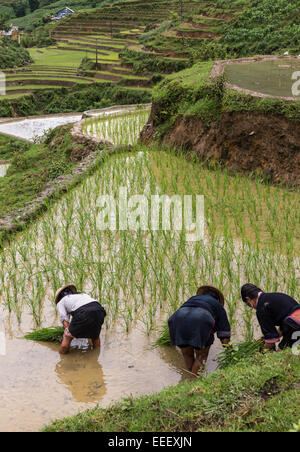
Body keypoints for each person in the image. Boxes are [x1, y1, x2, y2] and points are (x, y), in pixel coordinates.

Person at [168, 286, 231, 375]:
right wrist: (230, 352)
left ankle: (190, 377)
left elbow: (183, 314)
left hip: (177, 319)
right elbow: (224, 334)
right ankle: (194, 382)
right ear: (217, 299)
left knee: (187, 354)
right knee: (201, 356)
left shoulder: (192, 299)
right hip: (201, 319)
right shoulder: (217, 305)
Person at [241, 283, 300, 350]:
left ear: (248, 299)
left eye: (248, 304)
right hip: (295, 323)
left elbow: (271, 341)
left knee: (282, 352)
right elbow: (284, 326)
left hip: (295, 325)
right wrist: (264, 339)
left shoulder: (261, 308)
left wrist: (262, 352)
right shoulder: (274, 296)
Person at [55, 284, 106, 355]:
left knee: (67, 336)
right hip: (99, 310)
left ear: (59, 297)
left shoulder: (61, 302)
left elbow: (64, 318)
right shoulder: (82, 295)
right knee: (95, 336)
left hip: (84, 312)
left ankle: (62, 357)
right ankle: (95, 357)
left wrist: (68, 331)